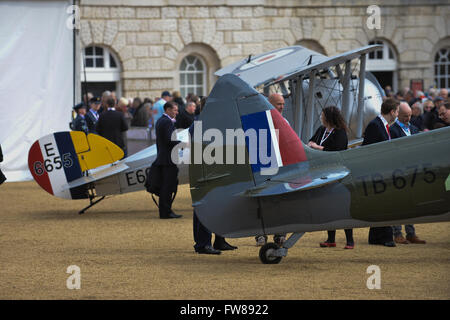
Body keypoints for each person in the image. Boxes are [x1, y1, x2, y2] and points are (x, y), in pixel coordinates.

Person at [307, 106, 354, 249]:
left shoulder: (340, 133)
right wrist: (314, 146)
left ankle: (350, 240)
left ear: (328, 117)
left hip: (337, 172)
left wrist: (317, 148)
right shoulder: (322, 130)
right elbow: (310, 142)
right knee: (329, 206)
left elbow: (337, 152)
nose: (321, 117)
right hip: (322, 172)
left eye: (322, 115)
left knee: (342, 207)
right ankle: (331, 239)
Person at [362, 97, 400, 247]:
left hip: (382, 171)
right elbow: (369, 149)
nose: (397, 115)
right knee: (384, 204)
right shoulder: (376, 125)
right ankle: (384, 237)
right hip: (377, 172)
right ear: (391, 112)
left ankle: (377, 237)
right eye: (397, 112)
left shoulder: (380, 125)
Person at [389, 102, 426, 244]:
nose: (408, 118)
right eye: (405, 116)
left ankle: (411, 233)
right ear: (398, 114)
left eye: (410, 115)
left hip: (413, 172)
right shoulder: (392, 130)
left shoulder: (414, 129)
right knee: (398, 203)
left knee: (412, 202)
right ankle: (397, 233)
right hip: (398, 171)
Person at [255, 93, 289, 247]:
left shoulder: (285, 122)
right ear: (269, 104)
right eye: (278, 104)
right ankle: (260, 235)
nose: (281, 107)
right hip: (264, 169)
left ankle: (280, 234)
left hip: (282, 169)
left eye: (282, 104)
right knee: (262, 202)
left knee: (282, 202)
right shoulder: (260, 121)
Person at [154, 101, 182, 219]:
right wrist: (183, 144)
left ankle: (165, 211)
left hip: (164, 157)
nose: (177, 112)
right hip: (168, 159)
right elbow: (169, 140)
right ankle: (166, 212)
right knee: (168, 186)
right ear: (168, 110)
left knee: (167, 186)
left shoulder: (161, 121)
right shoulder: (167, 122)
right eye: (175, 110)